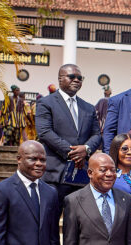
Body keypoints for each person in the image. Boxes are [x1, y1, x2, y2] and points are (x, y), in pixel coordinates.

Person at [35, 64, 101, 203]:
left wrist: (86, 149)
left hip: (81, 175)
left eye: (79, 78)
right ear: (60, 78)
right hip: (55, 175)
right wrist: (73, 152)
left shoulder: (88, 107)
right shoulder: (46, 103)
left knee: (78, 222)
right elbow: (45, 132)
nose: (76, 80)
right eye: (71, 77)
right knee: (50, 221)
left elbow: (97, 135)